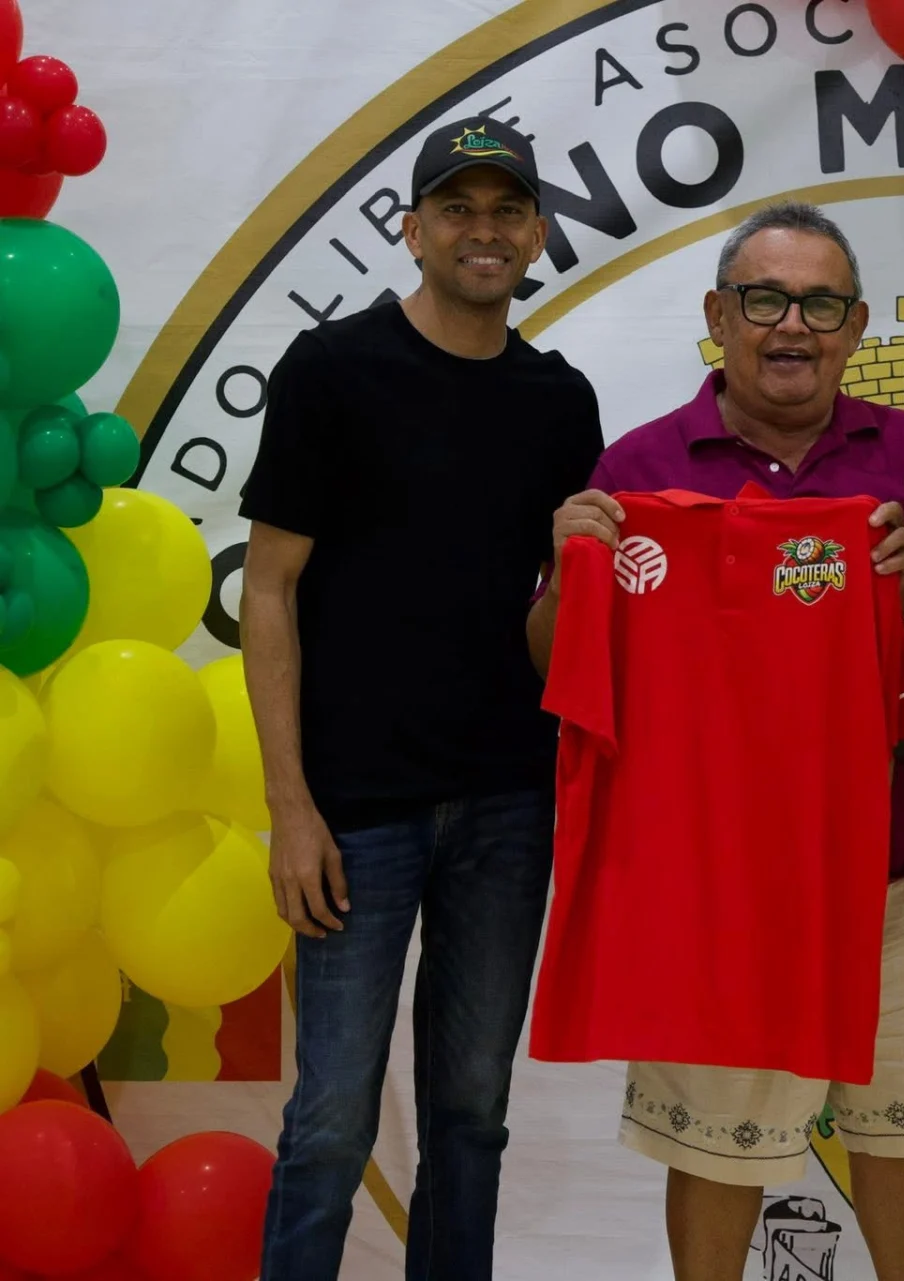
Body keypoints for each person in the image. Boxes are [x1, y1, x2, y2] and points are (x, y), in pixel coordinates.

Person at [526, 200, 904, 1281]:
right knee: (717, 1152)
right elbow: (556, 667)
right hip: (721, 891)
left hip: (897, 873)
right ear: (718, 315)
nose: (793, 325)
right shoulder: (639, 468)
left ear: (857, 322)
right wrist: (576, 558)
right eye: (765, 299)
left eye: (820, 303)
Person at [240, 119, 604, 1280]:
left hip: (507, 803)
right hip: (354, 816)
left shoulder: (561, 401)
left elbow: (560, 623)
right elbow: (268, 592)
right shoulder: (333, 371)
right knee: (332, 1122)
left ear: (538, 234)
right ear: (414, 228)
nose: (483, 231)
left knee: (471, 1116)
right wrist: (291, 808)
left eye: (506, 211)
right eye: (459, 208)